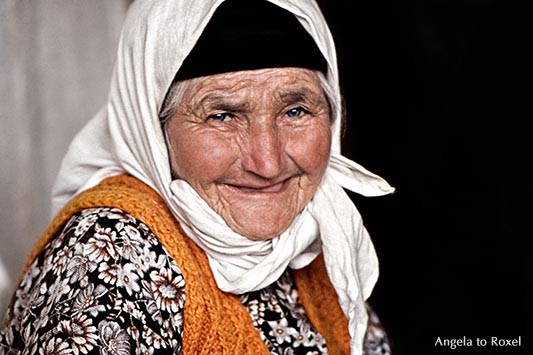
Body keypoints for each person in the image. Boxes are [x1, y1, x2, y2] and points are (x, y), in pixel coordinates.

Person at [0, 0, 395, 354]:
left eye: (295, 111)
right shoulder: (109, 256)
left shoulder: (320, 232)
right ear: (155, 130)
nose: (269, 163)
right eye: (222, 116)